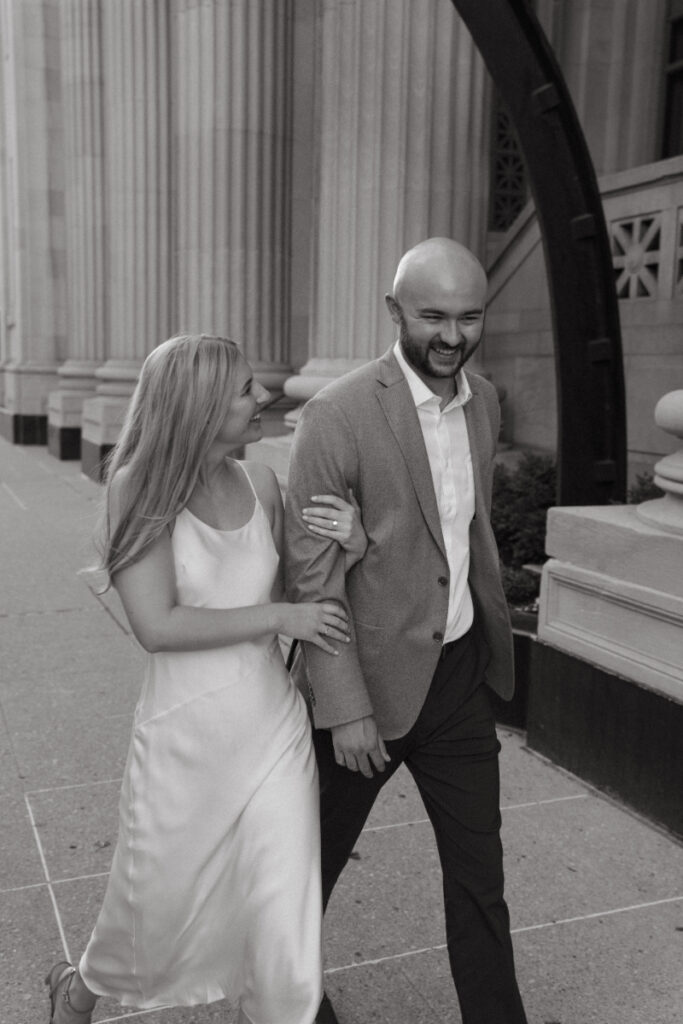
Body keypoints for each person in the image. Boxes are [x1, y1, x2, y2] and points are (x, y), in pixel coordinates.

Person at [45, 334, 367, 1024]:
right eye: (245, 389)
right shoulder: (137, 487)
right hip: (184, 734)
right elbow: (157, 625)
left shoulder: (262, 483)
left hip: (270, 726)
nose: (264, 396)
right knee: (154, 903)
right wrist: (283, 612)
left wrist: (354, 546)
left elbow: (296, 595)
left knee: (283, 909)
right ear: (196, 407)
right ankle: (77, 995)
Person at [285, 238, 529, 1024]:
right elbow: (310, 577)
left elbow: (453, 531)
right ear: (394, 312)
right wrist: (346, 706)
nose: (452, 336)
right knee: (305, 873)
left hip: (456, 679)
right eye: (432, 316)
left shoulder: (483, 401)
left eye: (468, 317)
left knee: (478, 876)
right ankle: (289, 1002)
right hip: (369, 683)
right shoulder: (337, 413)